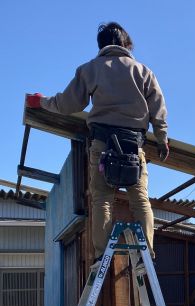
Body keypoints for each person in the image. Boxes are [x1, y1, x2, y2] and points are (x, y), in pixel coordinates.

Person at [26, 22, 168, 267]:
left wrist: (42, 102)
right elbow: (158, 109)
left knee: (102, 198)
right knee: (140, 200)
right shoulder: (144, 71)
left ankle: (102, 256)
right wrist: (163, 139)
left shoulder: (90, 69)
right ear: (125, 43)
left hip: (103, 145)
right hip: (134, 145)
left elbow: (68, 103)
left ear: (101, 45)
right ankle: (147, 255)